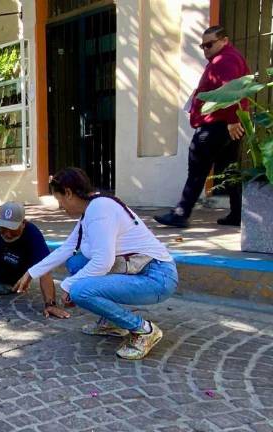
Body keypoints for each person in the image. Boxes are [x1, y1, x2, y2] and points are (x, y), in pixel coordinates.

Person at [16, 168, 178, 360]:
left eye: (59, 200)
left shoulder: (100, 209)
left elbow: (104, 261)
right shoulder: (92, 208)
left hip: (157, 277)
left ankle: (143, 330)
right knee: (76, 262)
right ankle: (112, 322)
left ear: (68, 193)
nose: (61, 207)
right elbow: (67, 248)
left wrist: (68, 285)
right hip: (140, 270)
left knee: (80, 290)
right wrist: (31, 273)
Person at [155, 25, 250, 228]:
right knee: (229, 169)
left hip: (217, 124)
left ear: (224, 40)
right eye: (203, 46)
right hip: (227, 124)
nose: (205, 49)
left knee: (198, 166)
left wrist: (233, 119)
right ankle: (238, 214)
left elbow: (231, 89)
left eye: (209, 44)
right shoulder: (225, 58)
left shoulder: (226, 59)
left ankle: (181, 213)